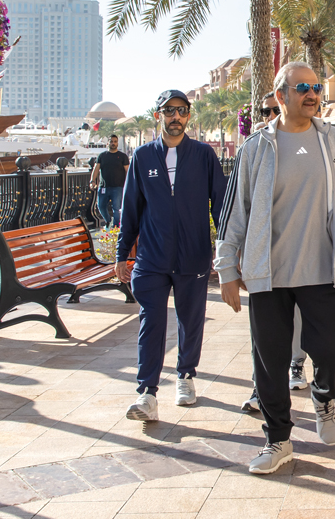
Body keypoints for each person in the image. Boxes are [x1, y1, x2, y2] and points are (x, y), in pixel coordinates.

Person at [215, 62, 335, 474]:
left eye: (317, 87)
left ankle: (323, 395)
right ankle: (278, 439)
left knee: (332, 349)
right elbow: (234, 213)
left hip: (324, 269)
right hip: (269, 274)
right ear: (281, 95)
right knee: (270, 362)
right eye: (303, 88)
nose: (313, 94)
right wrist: (228, 267)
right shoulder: (255, 147)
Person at [116, 90, 226, 421]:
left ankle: (186, 376)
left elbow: (220, 204)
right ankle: (147, 393)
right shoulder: (143, 156)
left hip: (193, 255)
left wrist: (225, 248)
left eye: (181, 111)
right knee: (152, 320)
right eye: (169, 111)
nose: (175, 117)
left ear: (188, 116)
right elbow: (130, 209)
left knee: (190, 320)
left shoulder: (204, 155)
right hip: (151, 257)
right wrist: (122, 253)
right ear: (158, 115)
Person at [243, 92, 309, 413]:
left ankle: (296, 364)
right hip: (264, 256)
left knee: (296, 319)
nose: (270, 114)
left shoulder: (308, 144)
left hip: (300, 253)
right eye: (265, 110)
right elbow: (240, 203)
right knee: (263, 329)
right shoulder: (253, 148)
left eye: (275, 109)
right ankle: (260, 385)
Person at [90, 134, 130, 228]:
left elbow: (128, 171)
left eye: (115, 142)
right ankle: (108, 220)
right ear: (108, 143)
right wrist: (92, 181)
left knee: (116, 208)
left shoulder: (122, 156)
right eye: (111, 141)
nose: (113, 143)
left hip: (118, 187)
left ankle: (116, 227)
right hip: (103, 187)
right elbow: (96, 169)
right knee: (101, 206)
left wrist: (130, 184)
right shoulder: (102, 156)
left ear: (117, 143)